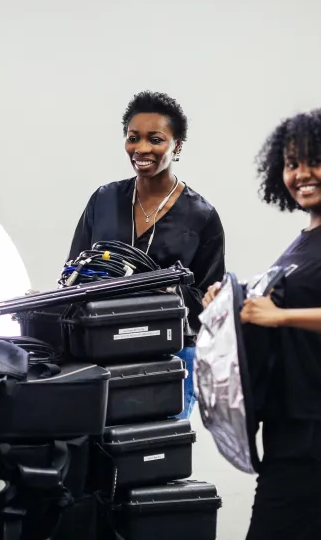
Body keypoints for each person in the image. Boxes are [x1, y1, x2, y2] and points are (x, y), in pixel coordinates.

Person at [203, 108, 321, 540]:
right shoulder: (306, 240)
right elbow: (276, 306)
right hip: (297, 416)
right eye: (292, 164)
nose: (301, 174)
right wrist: (230, 301)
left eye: (315, 161)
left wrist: (281, 314)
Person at [68, 91, 226, 419]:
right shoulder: (104, 199)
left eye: (155, 139)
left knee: (153, 450)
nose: (141, 149)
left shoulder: (201, 216)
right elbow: (75, 273)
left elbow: (212, 304)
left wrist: (163, 289)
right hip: (104, 351)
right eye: (133, 138)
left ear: (177, 145)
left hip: (171, 356)